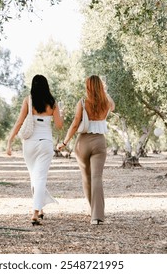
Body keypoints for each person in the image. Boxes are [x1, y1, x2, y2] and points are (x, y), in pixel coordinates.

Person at [6, 74, 64, 226]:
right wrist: (61, 114)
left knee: (35, 177)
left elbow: (19, 121)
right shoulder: (52, 103)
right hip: (45, 143)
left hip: (29, 144)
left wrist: (10, 141)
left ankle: (37, 211)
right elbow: (59, 125)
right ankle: (36, 212)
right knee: (39, 177)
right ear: (46, 86)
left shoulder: (28, 100)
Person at [57, 75, 115, 225]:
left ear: (88, 86)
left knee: (86, 178)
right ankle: (97, 216)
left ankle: (92, 210)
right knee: (97, 177)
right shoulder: (106, 102)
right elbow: (113, 107)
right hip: (99, 142)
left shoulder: (83, 103)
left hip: (83, 142)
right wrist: (105, 91)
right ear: (100, 86)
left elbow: (75, 124)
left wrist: (64, 142)